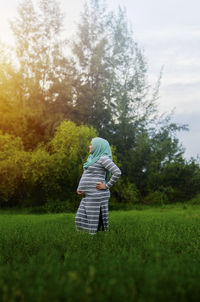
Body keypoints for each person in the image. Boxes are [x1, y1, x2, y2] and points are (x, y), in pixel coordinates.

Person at [75, 137, 121, 235]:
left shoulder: (103, 158)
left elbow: (117, 172)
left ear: (98, 146)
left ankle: (97, 241)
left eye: (92, 144)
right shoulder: (91, 159)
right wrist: (80, 188)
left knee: (95, 222)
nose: (89, 146)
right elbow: (86, 175)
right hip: (88, 195)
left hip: (97, 195)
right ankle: (89, 239)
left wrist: (107, 185)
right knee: (79, 218)